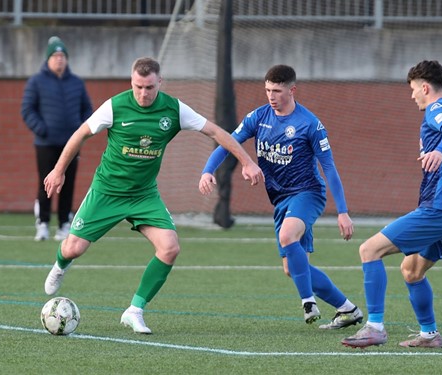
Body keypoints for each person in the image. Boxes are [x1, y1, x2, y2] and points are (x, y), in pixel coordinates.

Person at [42, 57, 263, 334]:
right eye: (138, 87)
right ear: (131, 83)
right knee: (74, 248)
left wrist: (247, 162)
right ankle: (61, 266)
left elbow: (215, 131)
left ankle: (134, 311)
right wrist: (59, 170)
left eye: (149, 87)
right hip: (107, 192)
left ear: (160, 82)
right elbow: (81, 134)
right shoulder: (116, 106)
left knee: (170, 247)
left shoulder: (173, 109)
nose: (143, 94)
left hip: (144, 194)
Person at [199, 64, 363, 329]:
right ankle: (348, 309)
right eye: (267, 90)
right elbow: (229, 141)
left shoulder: (310, 124)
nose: (271, 96)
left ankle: (308, 302)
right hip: (280, 199)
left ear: (292, 90)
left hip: (308, 194)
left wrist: (342, 211)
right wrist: (208, 171)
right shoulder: (259, 116)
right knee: (293, 269)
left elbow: (329, 168)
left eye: (276, 90)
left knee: (288, 237)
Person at [342, 60, 442, 349]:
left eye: (413, 89)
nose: (412, 95)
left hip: (438, 208)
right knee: (411, 271)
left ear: (425, 87)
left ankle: (374, 327)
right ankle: (430, 335)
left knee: (369, 249)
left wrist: (438, 150)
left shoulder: (439, 110)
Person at [22, 36, 93, 242]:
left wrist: (81, 129)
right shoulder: (37, 81)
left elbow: (87, 109)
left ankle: (64, 224)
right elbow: (27, 110)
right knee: (46, 182)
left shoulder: (76, 83)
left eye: (62, 56)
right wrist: (41, 129)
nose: (59, 60)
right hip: (45, 143)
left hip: (71, 143)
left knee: (68, 183)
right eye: (55, 56)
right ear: (48, 59)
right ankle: (43, 223)